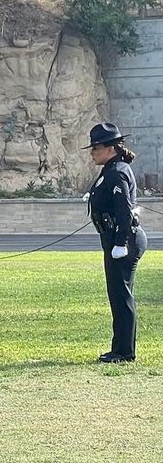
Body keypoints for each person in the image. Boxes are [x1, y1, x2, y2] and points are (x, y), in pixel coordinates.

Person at [86, 122, 147, 363]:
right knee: (119, 295)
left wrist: (120, 243)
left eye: (96, 148)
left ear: (111, 148)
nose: (93, 152)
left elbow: (124, 210)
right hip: (115, 239)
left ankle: (124, 352)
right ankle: (120, 348)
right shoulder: (111, 168)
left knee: (121, 296)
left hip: (124, 241)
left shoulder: (117, 170)